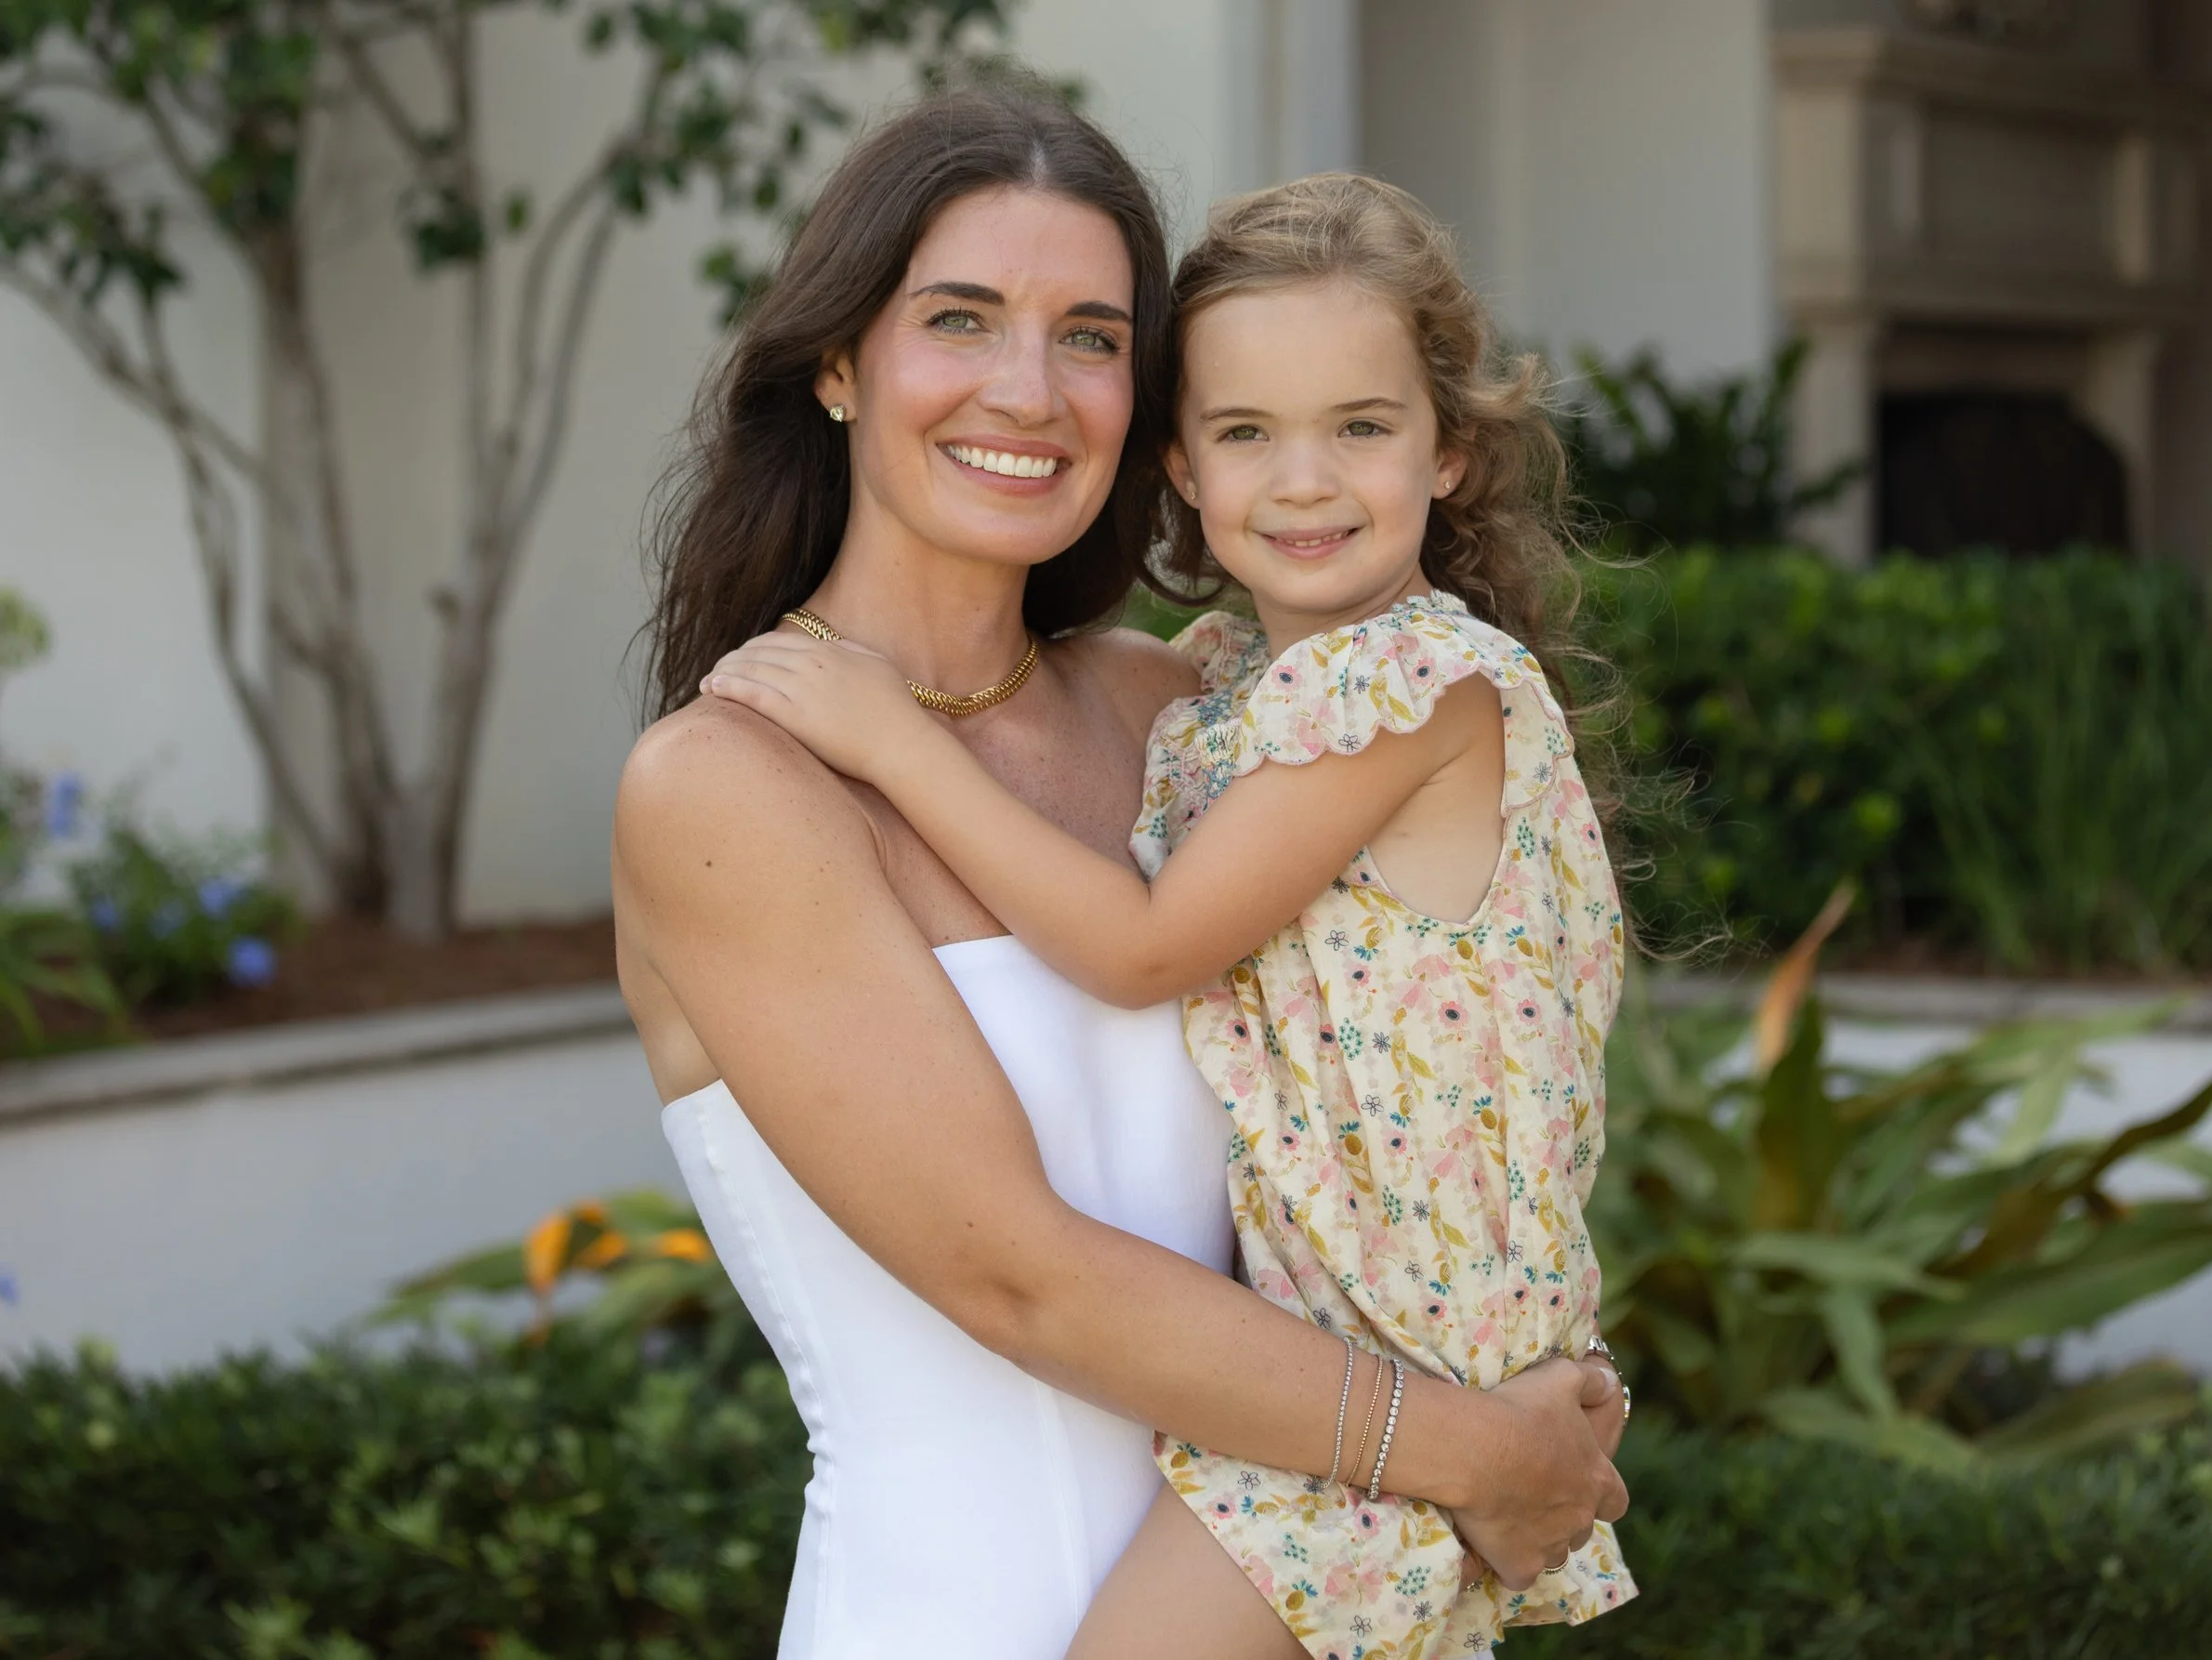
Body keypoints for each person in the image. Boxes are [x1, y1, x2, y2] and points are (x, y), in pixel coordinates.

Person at [617, 93, 1627, 1660]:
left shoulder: (1192, 713)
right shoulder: (730, 786)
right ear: (838, 362)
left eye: (1089, 336)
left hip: (1321, 1592)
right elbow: (1024, 1284)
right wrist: (1482, 1453)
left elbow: (1407, 1093)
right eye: (959, 318)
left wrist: (1520, 1347)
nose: (1028, 389)